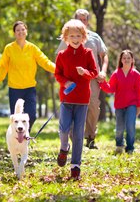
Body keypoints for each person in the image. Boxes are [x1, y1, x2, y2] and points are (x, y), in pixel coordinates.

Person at [56, 9, 108, 149]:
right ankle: (75, 139)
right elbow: (59, 57)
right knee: (73, 107)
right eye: (80, 19)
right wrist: (64, 81)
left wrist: (103, 71)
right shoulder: (69, 35)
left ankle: (91, 137)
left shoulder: (95, 37)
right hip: (72, 81)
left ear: (88, 21)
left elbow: (104, 56)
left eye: (85, 19)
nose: (83, 21)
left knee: (93, 107)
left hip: (92, 78)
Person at [55, 19, 98, 180]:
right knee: (64, 129)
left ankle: (75, 165)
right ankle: (64, 148)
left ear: (83, 37)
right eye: (71, 35)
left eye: (78, 35)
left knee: (79, 133)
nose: (75, 38)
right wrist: (65, 82)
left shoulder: (87, 53)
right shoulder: (61, 55)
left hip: (82, 100)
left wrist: (85, 73)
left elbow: (94, 72)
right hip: (66, 98)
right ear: (66, 37)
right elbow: (57, 73)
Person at [0, 21, 55, 131]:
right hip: (15, 89)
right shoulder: (9, 48)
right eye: (17, 30)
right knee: (16, 119)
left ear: (26, 31)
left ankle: (24, 138)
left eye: (23, 29)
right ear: (14, 33)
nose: (20, 32)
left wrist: (59, 70)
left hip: (30, 88)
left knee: (31, 116)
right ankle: (16, 142)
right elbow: (3, 67)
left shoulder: (32, 48)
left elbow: (45, 62)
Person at [99, 50, 140, 154]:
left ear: (132, 60)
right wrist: (102, 82)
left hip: (132, 105)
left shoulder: (137, 75)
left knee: (130, 127)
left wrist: (138, 106)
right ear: (121, 60)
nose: (126, 60)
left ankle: (130, 147)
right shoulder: (116, 74)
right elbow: (111, 88)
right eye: (124, 58)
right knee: (119, 128)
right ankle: (119, 145)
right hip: (119, 105)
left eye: (129, 58)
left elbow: (139, 92)